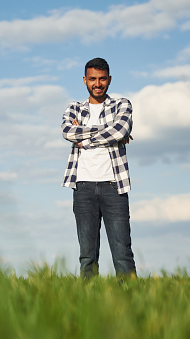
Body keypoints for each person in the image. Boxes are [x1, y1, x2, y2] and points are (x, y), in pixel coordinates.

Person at [61, 57, 137, 278]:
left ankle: (131, 304)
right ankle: (89, 307)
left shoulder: (122, 105)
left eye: (102, 79)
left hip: (114, 187)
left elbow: (121, 130)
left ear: (109, 80)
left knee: (122, 253)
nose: (97, 83)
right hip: (83, 187)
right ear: (84, 80)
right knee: (87, 256)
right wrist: (109, 133)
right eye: (92, 79)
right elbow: (67, 131)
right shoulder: (74, 108)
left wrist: (84, 138)